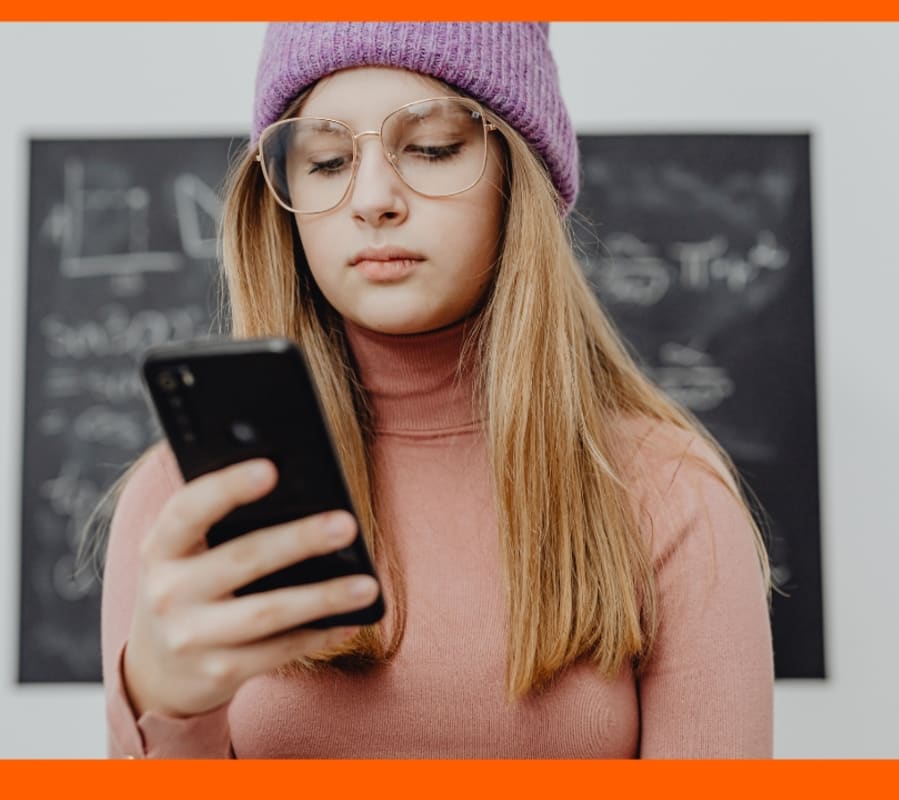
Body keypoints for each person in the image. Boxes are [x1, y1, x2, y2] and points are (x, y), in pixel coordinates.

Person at [89, 22, 774, 759]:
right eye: (325, 160)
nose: (373, 198)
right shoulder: (188, 500)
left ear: (519, 176)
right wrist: (167, 714)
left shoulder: (668, 491)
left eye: (433, 148)